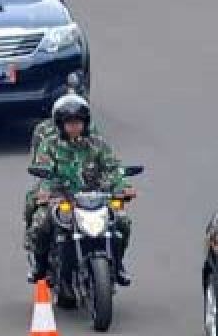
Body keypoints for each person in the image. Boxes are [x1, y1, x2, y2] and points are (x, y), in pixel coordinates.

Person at [25, 94, 136, 286]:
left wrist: (123, 187)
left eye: (78, 122)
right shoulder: (49, 145)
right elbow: (44, 173)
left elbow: (112, 169)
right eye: (69, 123)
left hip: (95, 199)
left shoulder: (97, 144)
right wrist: (46, 193)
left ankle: (118, 265)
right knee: (40, 223)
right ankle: (40, 267)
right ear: (60, 124)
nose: (74, 127)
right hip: (62, 199)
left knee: (122, 222)